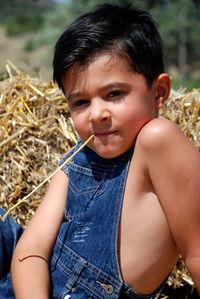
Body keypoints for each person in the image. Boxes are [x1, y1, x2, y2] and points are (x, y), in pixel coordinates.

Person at [1, 3, 200, 299]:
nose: (96, 114)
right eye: (80, 102)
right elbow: (31, 248)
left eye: (114, 94)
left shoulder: (158, 141)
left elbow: (196, 248)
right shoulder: (79, 157)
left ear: (158, 92)